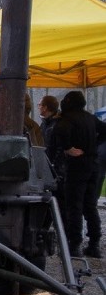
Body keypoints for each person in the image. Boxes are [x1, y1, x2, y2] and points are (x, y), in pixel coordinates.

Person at [52, 90, 106, 258]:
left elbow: (59, 136)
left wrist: (68, 148)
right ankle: (94, 243)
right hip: (93, 164)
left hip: (76, 167)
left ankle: (74, 244)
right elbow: (104, 131)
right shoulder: (90, 118)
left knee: (74, 205)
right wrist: (93, 146)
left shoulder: (66, 120)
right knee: (90, 206)